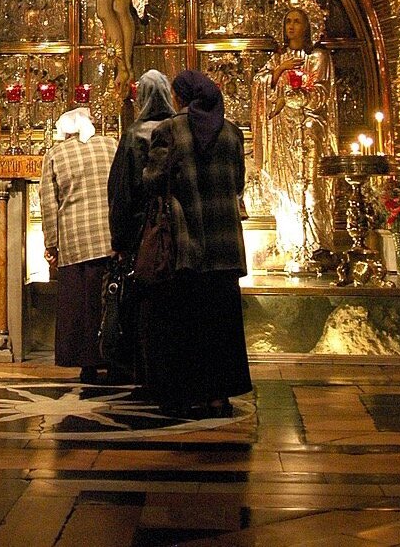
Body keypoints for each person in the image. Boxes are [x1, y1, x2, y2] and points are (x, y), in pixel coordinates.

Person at [143, 69, 252, 418]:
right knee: (222, 324)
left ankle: (183, 393)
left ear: (183, 97)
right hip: (224, 245)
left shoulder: (170, 131)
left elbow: (153, 180)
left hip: (187, 242)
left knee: (185, 321)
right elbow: (238, 183)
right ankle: (219, 396)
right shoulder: (232, 133)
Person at [251, 0, 339, 266]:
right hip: (282, 132)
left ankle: (315, 244)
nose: (291, 26)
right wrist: (279, 72)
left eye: (297, 21)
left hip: (309, 130)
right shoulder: (278, 58)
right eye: (288, 21)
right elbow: (259, 85)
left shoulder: (318, 57)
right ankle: (290, 243)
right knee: (285, 187)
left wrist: (296, 94)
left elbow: (321, 93)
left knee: (311, 186)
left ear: (307, 26)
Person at [39, 107, 118, 384]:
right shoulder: (111, 144)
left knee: (84, 306)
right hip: (110, 237)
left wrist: (52, 243)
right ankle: (116, 357)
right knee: (111, 301)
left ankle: (88, 364)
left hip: (76, 240)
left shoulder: (55, 154)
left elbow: (49, 203)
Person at [107, 69, 176, 389]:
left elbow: (121, 191)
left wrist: (119, 239)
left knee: (142, 305)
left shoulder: (134, 135)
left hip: (141, 233)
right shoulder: (178, 129)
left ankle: (142, 372)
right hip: (175, 229)